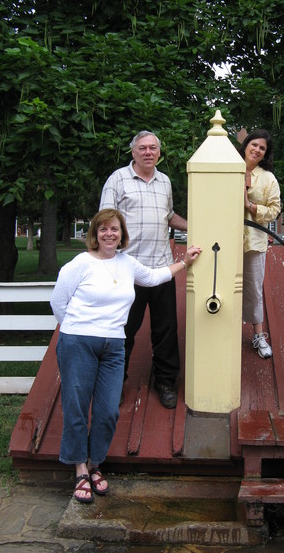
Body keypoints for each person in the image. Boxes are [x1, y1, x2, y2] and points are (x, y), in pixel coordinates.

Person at [50, 209, 201, 503]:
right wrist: (78, 328)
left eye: (115, 230)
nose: (109, 234)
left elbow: (155, 277)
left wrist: (184, 262)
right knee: (78, 407)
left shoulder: (128, 263)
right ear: (94, 233)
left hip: (114, 347)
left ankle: (96, 462)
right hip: (78, 342)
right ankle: (82, 468)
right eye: (103, 229)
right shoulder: (80, 264)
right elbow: (58, 302)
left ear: (122, 235)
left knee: (108, 411)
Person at [99, 131, 188, 409]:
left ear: (159, 153)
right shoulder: (117, 179)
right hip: (127, 270)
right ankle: (114, 384)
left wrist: (197, 225)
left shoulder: (165, 181)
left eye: (153, 148)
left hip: (161, 268)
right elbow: (105, 220)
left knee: (166, 331)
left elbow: (168, 216)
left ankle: (165, 382)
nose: (148, 152)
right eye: (142, 148)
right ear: (133, 152)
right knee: (123, 330)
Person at [238, 129, 281, 358]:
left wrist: (251, 207)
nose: (256, 150)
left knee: (253, 287)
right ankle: (226, 332)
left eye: (262, 148)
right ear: (245, 145)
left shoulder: (268, 178)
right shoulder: (229, 168)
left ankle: (258, 334)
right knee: (224, 285)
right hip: (225, 240)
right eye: (253, 144)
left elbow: (274, 210)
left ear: (265, 154)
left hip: (254, 241)